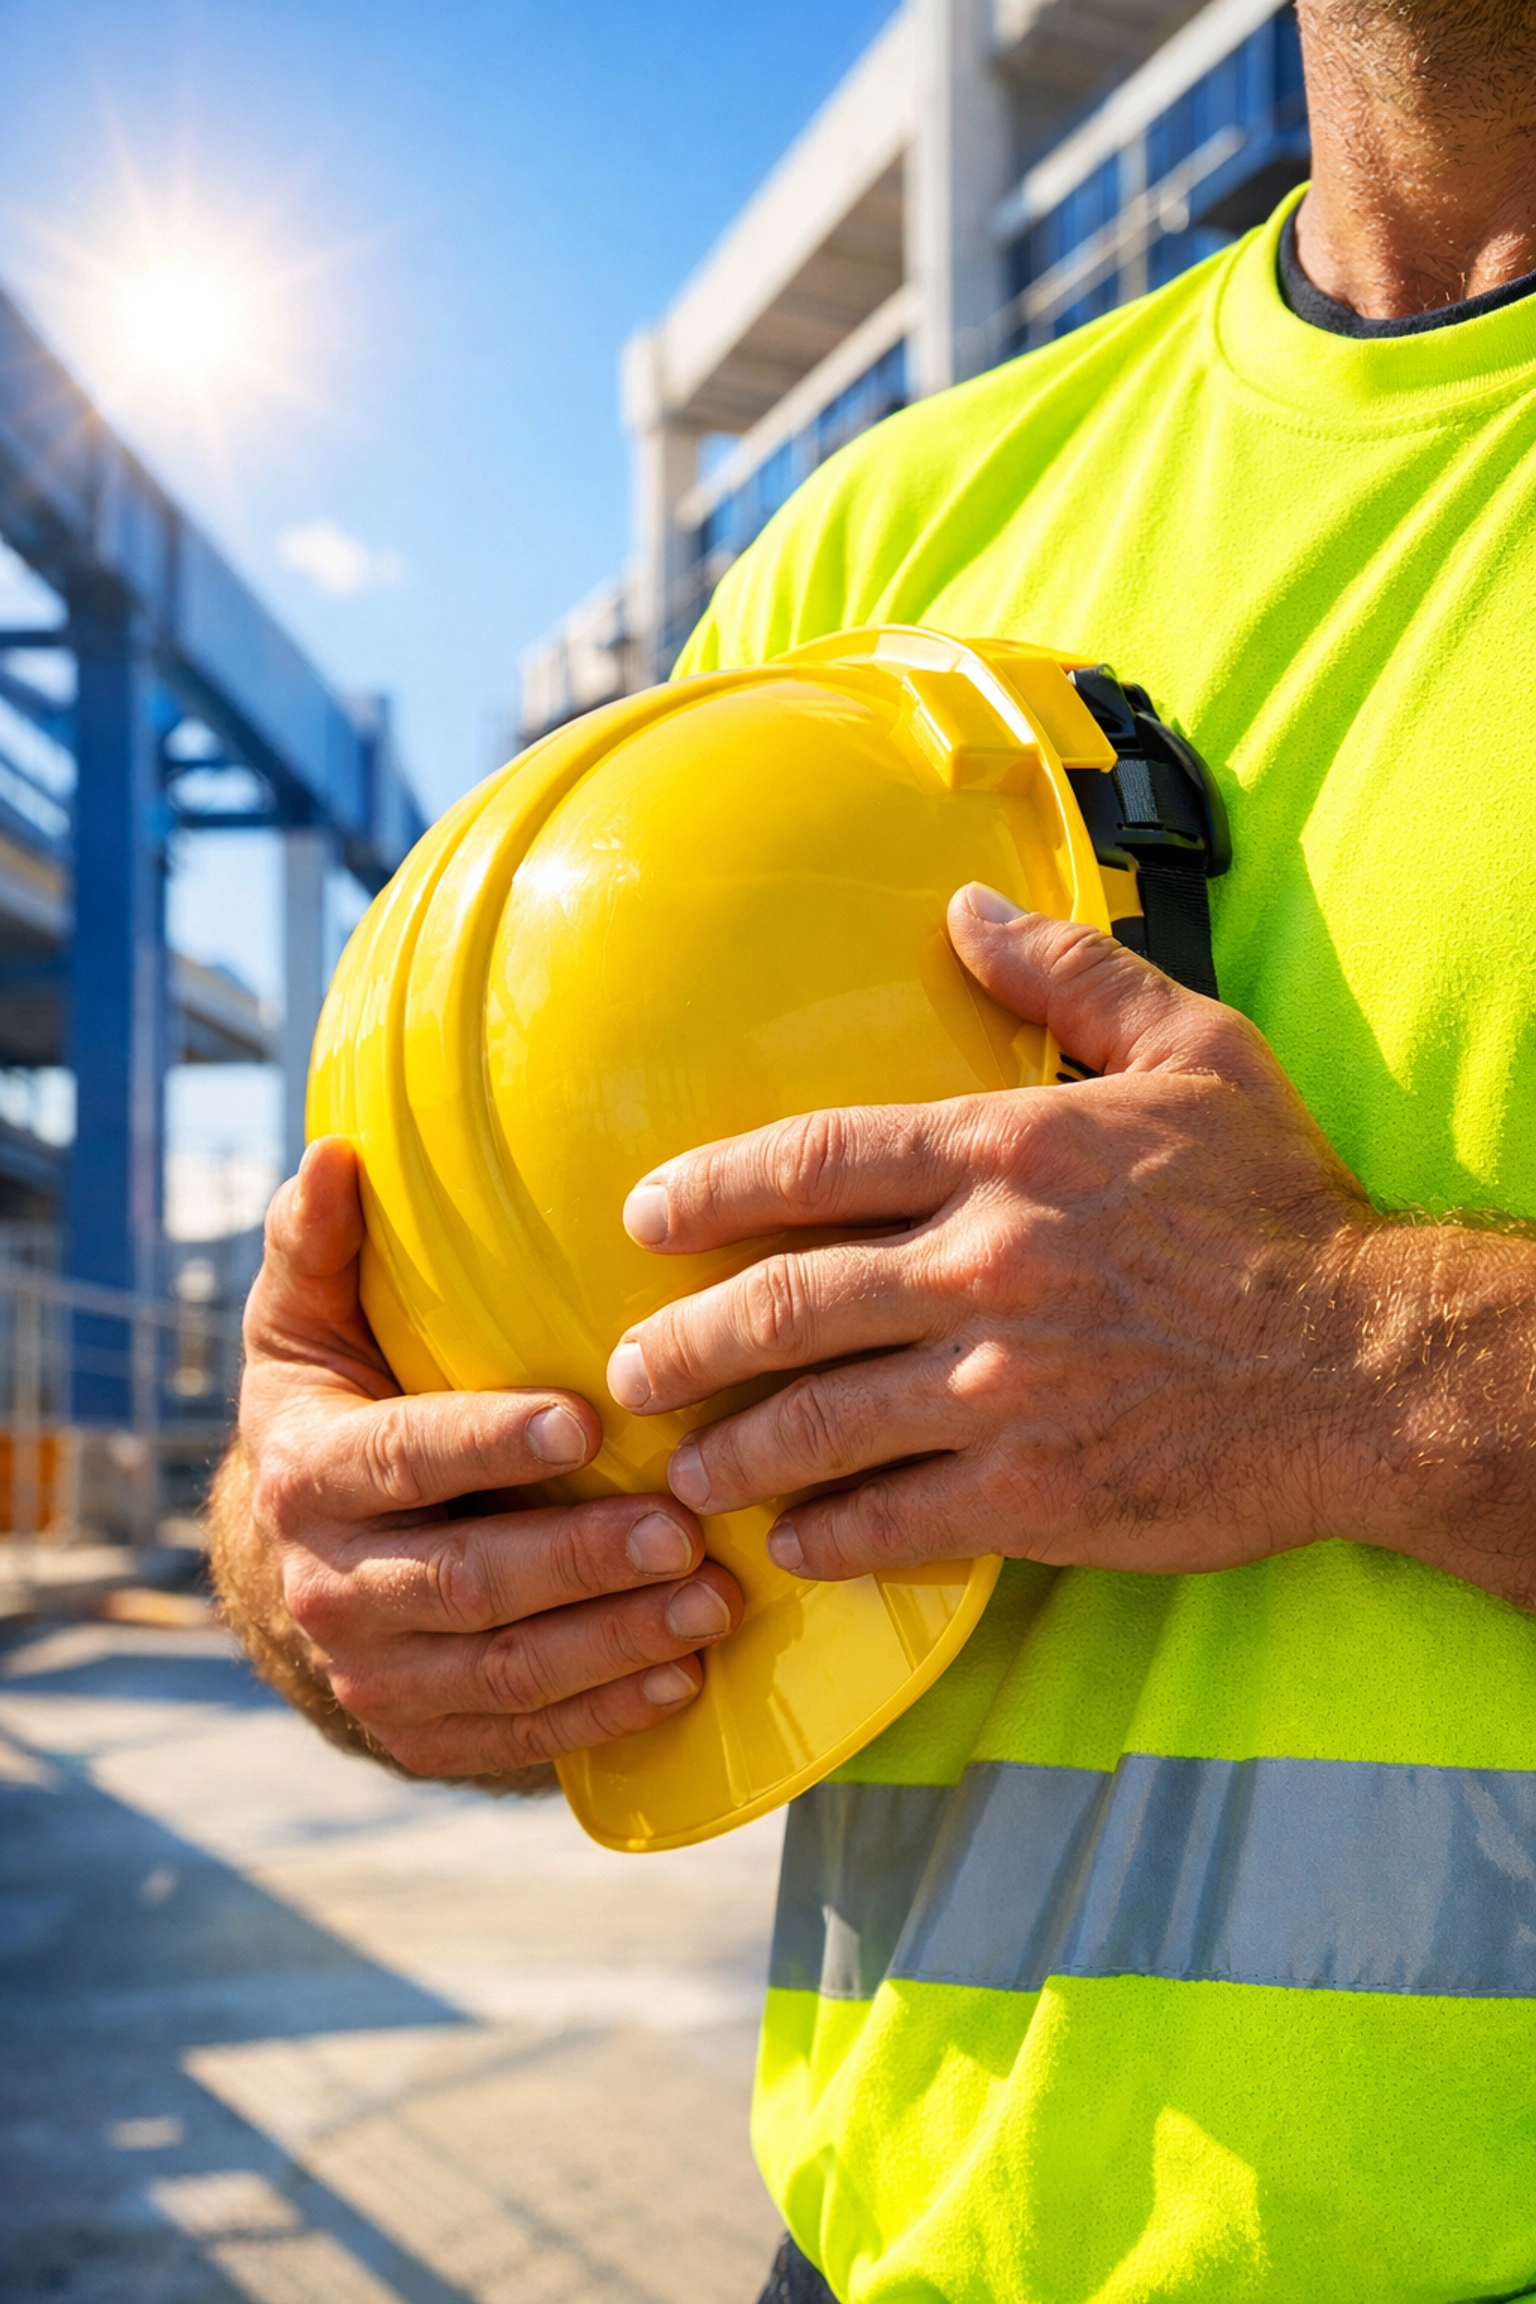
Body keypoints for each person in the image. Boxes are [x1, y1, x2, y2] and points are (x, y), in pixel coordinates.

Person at [213, 3, 1536, 2295]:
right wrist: (354, 1589)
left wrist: (1356, 1365)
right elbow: (508, 1460)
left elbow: (1312, 1363)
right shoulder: (905, 553)